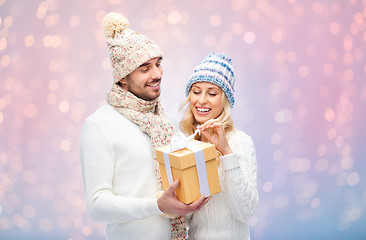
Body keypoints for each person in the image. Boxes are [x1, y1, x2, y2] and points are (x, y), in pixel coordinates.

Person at [80, 12, 208, 240]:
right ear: (122, 78)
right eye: (145, 68)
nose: (157, 74)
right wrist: (157, 206)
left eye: (158, 64)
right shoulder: (99, 125)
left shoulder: (165, 121)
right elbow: (97, 206)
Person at [180, 52, 259, 239]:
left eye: (212, 93)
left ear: (225, 100)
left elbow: (245, 211)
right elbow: (186, 218)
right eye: (196, 91)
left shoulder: (240, 141)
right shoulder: (186, 143)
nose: (201, 100)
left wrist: (225, 152)